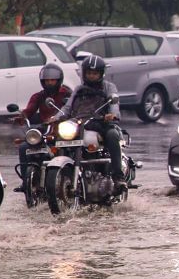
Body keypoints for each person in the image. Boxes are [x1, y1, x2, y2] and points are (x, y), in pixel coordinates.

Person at [51, 55, 125, 183]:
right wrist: (56, 117)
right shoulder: (79, 89)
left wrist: (112, 115)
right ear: (84, 73)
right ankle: (59, 177)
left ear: (101, 74)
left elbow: (114, 103)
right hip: (79, 122)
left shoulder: (108, 87)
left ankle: (118, 176)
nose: (91, 76)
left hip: (101, 122)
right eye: (89, 73)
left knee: (113, 135)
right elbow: (68, 107)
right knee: (58, 136)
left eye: (95, 73)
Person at [13, 63, 72, 191]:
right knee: (24, 147)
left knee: (73, 147)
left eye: (53, 80)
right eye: (47, 81)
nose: (50, 83)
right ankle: (26, 182)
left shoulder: (67, 94)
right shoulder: (38, 96)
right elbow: (29, 110)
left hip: (64, 128)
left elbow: (72, 108)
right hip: (46, 128)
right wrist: (22, 116)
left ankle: (74, 177)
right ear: (42, 81)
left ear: (59, 80)